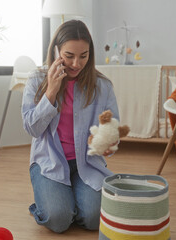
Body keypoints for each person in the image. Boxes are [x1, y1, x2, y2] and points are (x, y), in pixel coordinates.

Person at [21, 20, 120, 233]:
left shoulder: (103, 86)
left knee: (95, 219)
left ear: (90, 54)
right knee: (58, 220)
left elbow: (112, 131)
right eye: (69, 56)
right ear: (56, 51)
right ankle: (53, 205)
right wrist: (51, 92)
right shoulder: (36, 79)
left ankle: (68, 203)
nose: (76, 63)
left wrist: (109, 141)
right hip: (49, 161)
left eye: (83, 56)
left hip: (86, 163)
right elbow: (32, 128)